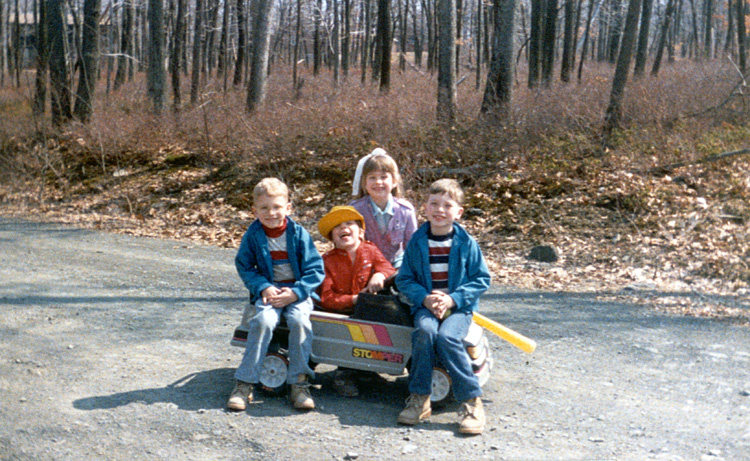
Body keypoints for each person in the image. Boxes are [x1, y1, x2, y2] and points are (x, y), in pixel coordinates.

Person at [395, 178, 491, 435]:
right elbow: (404, 278)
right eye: (434, 203)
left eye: (447, 205)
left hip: (457, 307)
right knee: (425, 333)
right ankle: (419, 398)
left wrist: (453, 299)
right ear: (424, 207)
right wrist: (425, 298)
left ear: (458, 212)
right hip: (426, 305)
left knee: (448, 337)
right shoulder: (417, 241)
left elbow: (482, 279)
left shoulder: (466, 242)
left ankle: (471, 401)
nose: (439, 210)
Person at [228, 178, 325, 412]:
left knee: (300, 321)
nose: (271, 213)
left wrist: (296, 292)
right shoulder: (253, 236)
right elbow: (245, 267)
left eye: (277, 207)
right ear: (254, 211)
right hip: (269, 293)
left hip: (297, 292)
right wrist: (262, 286)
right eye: (264, 208)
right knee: (262, 321)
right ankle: (245, 383)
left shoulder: (298, 234)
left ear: (288, 208)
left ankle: (299, 384)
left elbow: (315, 269)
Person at [317, 205, 396, 396]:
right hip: (340, 312)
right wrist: (354, 299)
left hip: (366, 310)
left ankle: (366, 370)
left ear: (360, 232)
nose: (344, 228)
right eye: (337, 227)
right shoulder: (327, 261)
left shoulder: (370, 250)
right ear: (332, 237)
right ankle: (344, 374)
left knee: (378, 327)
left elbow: (388, 269)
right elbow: (326, 298)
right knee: (347, 335)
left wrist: (379, 275)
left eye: (349, 224)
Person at [350, 148, 418, 268]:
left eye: (383, 177)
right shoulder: (355, 210)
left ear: (394, 181)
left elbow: (412, 248)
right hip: (365, 264)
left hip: (397, 263)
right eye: (372, 177)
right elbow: (350, 246)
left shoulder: (406, 210)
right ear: (364, 183)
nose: (378, 182)